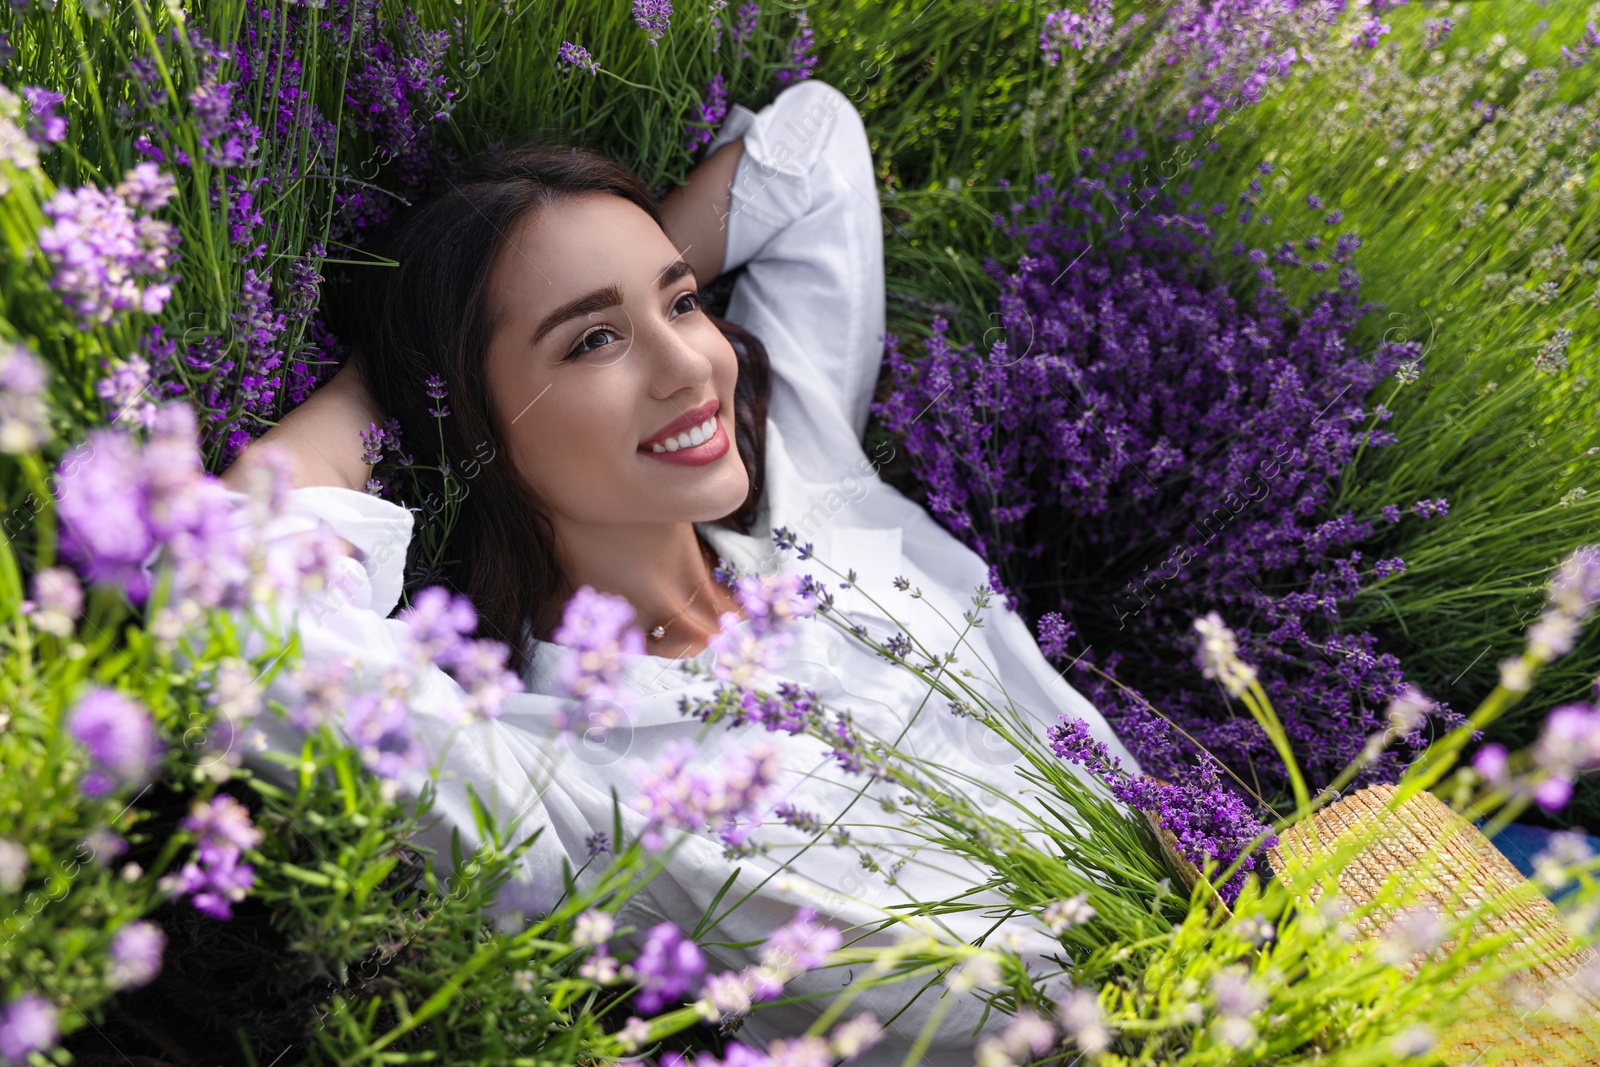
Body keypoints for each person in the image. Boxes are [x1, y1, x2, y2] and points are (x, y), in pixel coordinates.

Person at [222, 80, 1140, 1062]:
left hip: (1281, 902)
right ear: (476, 417)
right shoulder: (570, 781)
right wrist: (401, 390)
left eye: (684, 301)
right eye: (594, 340)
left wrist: (605, 275)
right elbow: (230, 592)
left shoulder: (807, 475)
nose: (690, 366)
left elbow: (814, 143)